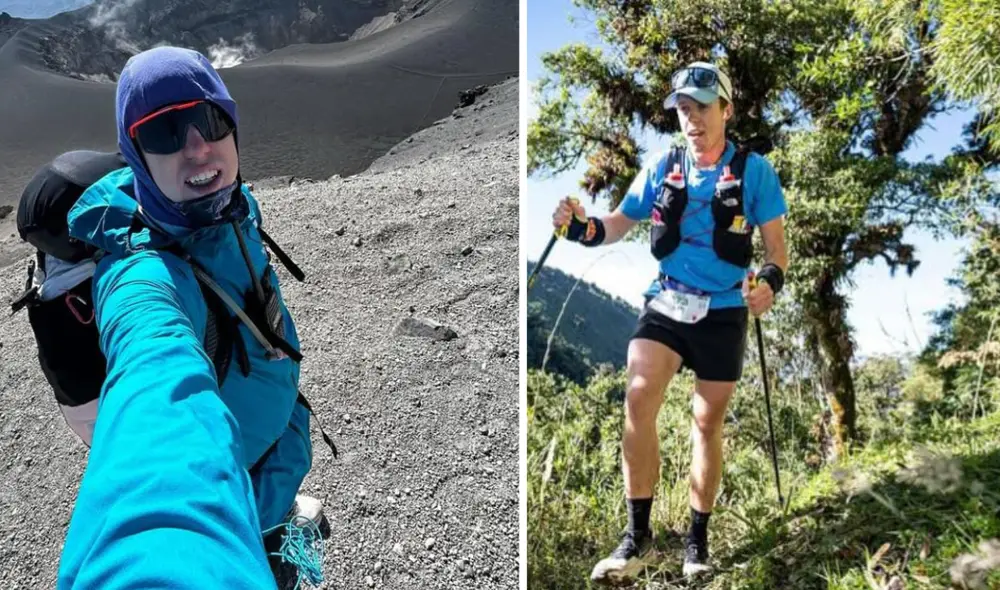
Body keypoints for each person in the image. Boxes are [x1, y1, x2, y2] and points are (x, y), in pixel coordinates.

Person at [55, 46, 329, 589]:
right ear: (135, 154)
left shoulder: (232, 207)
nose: (199, 147)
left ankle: (276, 525)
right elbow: (155, 385)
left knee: (271, 513)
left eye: (211, 120)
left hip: (269, 446)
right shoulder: (143, 276)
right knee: (255, 550)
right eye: (165, 132)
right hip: (228, 483)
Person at [551, 61, 789, 584]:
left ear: (726, 109)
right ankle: (637, 539)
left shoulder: (755, 172)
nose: (691, 118)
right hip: (667, 301)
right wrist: (579, 228)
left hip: (724, 309)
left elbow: (777, 251)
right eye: (683, 109)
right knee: (638, 397)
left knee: (706, 422)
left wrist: (768, 283)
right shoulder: (663, 165)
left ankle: (696, 542)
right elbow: (616, 224)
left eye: (701, 107)